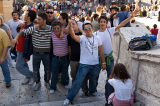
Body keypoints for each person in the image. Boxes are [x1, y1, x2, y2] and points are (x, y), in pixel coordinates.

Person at [94, 8, 139, 106]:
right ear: (99, 23)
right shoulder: (95, 34)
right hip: (99, 58)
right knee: (95, 76)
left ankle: (108, 98)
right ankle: (93, 90)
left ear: (106, 23)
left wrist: (131, 16)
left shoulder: (110, 31)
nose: (102, 23)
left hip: (109, 58)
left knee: (110, 79)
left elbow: (121, 24)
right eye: (101, 22)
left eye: (104, 22)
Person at [63, 20, 106, 105]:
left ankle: (92, 91)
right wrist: (70, 26)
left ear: (92, 29)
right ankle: (69, 97)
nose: (88, 30)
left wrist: (103, 63)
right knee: (78, 81)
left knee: (94, 80)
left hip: (95, 64)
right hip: (84, 65)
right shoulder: (82, 38)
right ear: (84, 30)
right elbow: (73, 36)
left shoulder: (97, 38)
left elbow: (101, 51)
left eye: (89, 28)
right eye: (86, 29)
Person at [12, 12, 52, 91]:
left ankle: (47, 82)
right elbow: (22, 32)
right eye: (37, 19)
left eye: (39, 19)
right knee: (35, 70)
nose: (37, 20)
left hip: (46, 54)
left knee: (47, 70)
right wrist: (15, 38)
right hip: (36, 54)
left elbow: (61, 30)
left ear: (44, 20)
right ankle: (37, 83)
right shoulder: (34, 28)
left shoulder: (50, 28)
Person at [67, 19, 89, 96]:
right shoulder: (69, 36)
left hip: (83, 60)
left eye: (74, 24)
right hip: (73, 60)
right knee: (74, 76)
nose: (72, 25)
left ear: (77, 25)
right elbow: (69, 48)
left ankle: (85, 90)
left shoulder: (82, 34)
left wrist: (79, 28)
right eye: (71, 24)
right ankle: (74, 90)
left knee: (84, 77)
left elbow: (85, 35)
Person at [15, 10, 36, 85]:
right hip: (19, 48)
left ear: (29, 17)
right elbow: (19, 32)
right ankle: (28, 77)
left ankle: (33, 75)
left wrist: (27, 55)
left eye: (25, 14)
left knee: (18, 66)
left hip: (24, 50)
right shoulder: (24, 24)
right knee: (24, 65)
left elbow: (31, 43)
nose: (23, 15)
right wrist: (19, 26)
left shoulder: (32, 28)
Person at [50, 21, 70, 94]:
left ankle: (65, 83)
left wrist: (62, 30)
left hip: (65, 58)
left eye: (58, 28)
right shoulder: (52, 34)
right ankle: (52, 87)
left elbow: (70, 25)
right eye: (54, 28)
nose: (56, 30)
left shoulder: (65, 34)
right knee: (54, 73)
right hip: (55, 58)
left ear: (61, 28)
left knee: (65, 72)